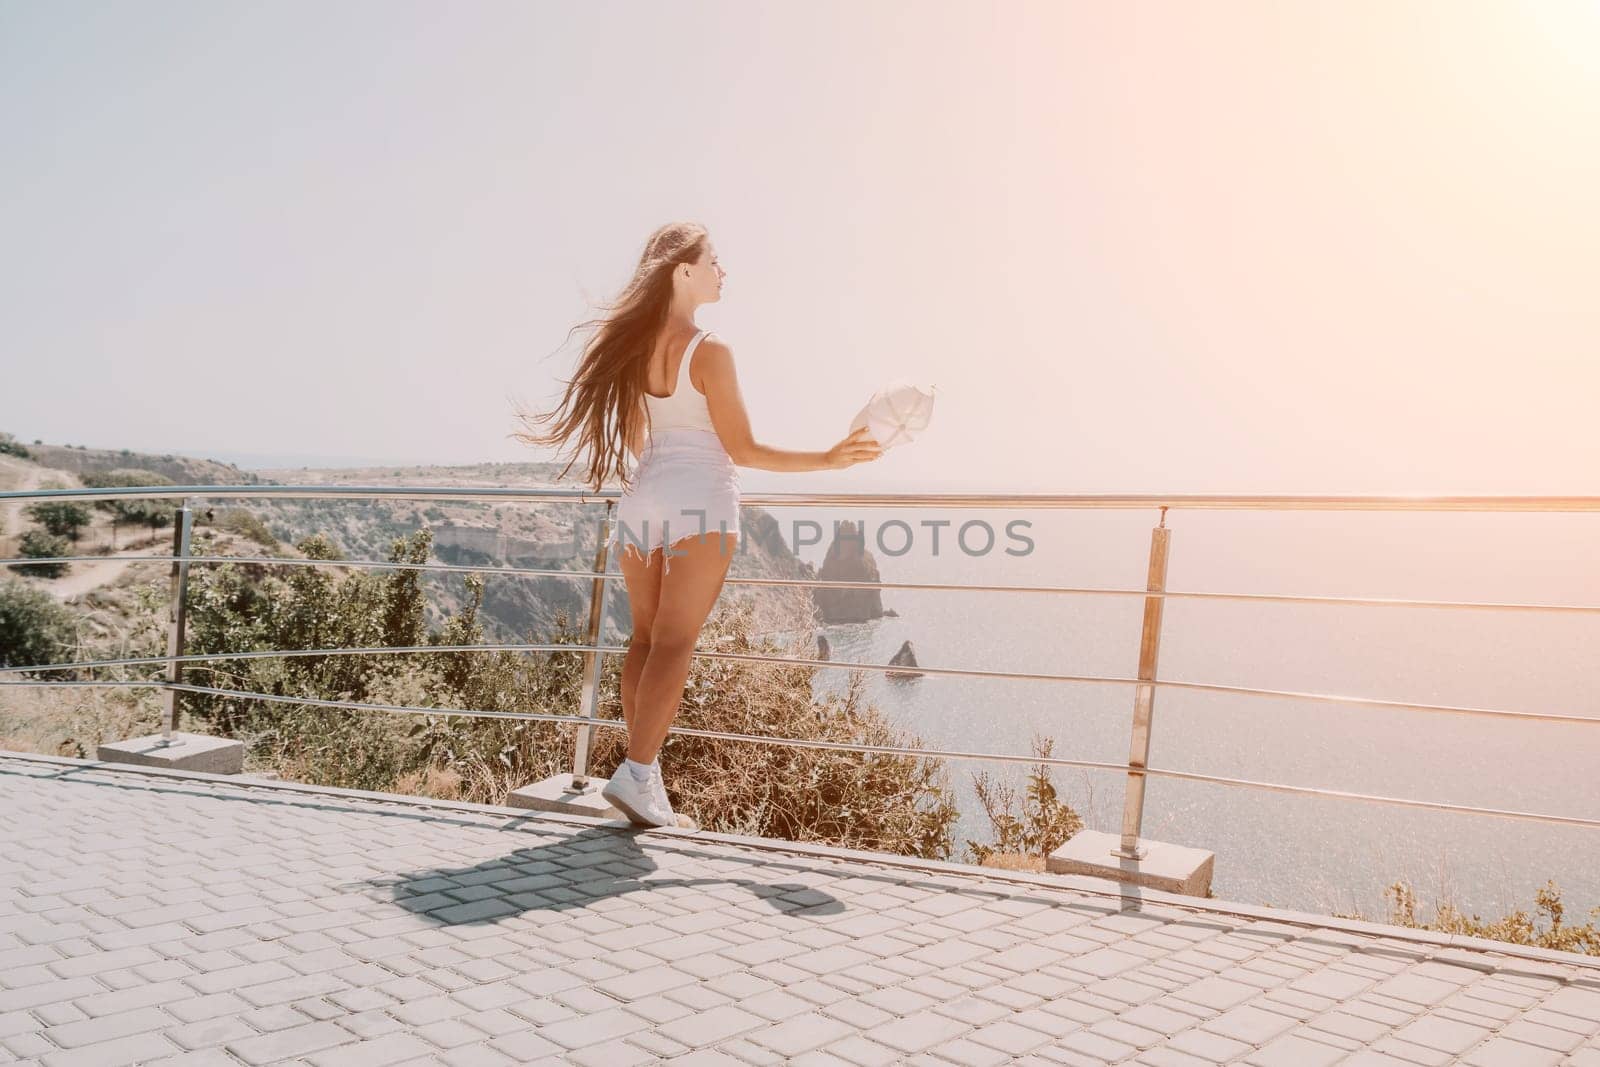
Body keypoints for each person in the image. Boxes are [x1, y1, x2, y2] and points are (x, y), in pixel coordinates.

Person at [513, 222, 882, 829]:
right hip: (699, 502)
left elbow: (638, 438)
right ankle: (636, 774)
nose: (723, 270)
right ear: (684, 270)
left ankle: (642, 780)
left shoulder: (632, 347)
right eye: (715, 260)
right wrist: (829, 457)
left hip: (642, 501)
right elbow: (743, 448)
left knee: (644, 641)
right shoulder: (710, 350)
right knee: (676, 642)